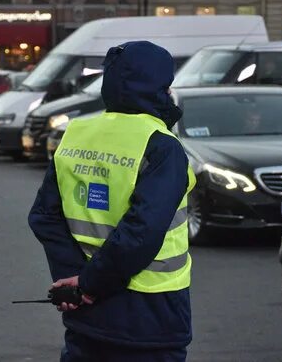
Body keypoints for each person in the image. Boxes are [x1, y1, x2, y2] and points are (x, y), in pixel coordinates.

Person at [29, 41, 195, 362]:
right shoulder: (160, 145)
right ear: (161, 86)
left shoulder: (76, 133)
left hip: (87, 313)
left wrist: (75, 281)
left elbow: (45, 216)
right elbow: (141, 231)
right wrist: (89, 284)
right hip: (151, 314)